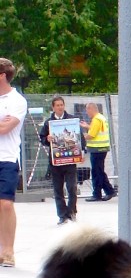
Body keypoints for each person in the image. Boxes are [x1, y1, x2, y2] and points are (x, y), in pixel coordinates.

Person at [0, 58, 28, 268]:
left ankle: (8, 251)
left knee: (5, 204)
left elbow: (5, 129)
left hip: (7, 158)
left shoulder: (17, 100)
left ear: (2, 76)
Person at [39, 96, 80, 225]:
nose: (60, 107)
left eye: (61, 105)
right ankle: (62, 215)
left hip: (70, 160)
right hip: (55, 161)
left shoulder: (71, 120)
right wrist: (47, 138)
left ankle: (71, 212)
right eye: (57, 105)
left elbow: (79, 138)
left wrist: (81, 151)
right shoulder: (48, 122)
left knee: (71, 187)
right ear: (53, 107)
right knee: (58, 189)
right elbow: (42, 138)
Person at [81, 103, 116, 202]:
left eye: (87, 110)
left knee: (97, 172)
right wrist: (88, 126)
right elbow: (96, 130)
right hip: (101, 148)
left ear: (91, 109)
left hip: (97, 148)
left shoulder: (96, 119)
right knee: (99, 170)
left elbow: (91, 135)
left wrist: (79, 136)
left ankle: (98, 193)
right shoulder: (101, 118)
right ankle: (108, 191)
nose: (87, 113)